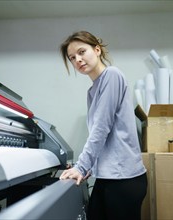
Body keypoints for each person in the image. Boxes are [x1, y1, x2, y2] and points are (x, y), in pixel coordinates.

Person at [59, 30, 147, 220]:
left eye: (82, 52)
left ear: (97, 50)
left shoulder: (111, 75)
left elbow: (101, 128)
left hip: (124, 178)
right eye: (72, 58)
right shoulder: (92, 91)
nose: (78, 60)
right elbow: (103, 136)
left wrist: (81, 167)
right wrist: (87, 168)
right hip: (109, 177)